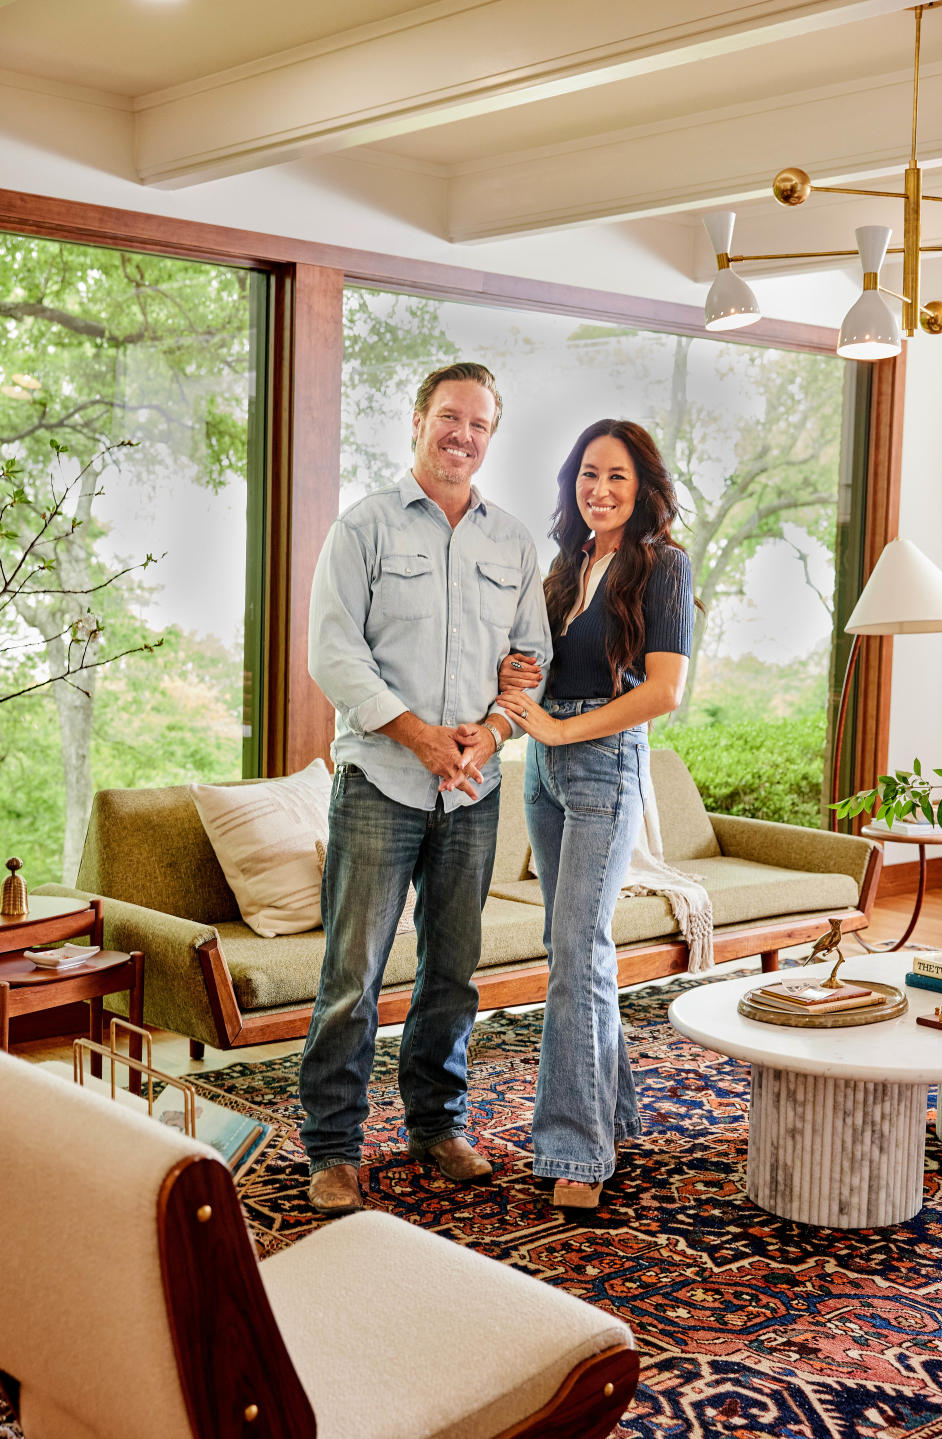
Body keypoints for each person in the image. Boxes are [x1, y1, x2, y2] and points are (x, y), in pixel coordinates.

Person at [300, 361, 551, 1216]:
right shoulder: (363, 528)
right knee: (352, 975)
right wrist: (417, 733)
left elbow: (531, 664)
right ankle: (332, 1148)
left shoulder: (513, 543)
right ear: (418, 421)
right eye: (451, 417)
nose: (464, 436)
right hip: (380, 782)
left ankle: (436, 1125)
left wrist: (491, 730)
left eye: (480, 425)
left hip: (473, 790)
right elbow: (334, 654)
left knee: (454, 972)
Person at [496, 418, 694, 1210]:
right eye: (587, 474)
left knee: (576, 950)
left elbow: (663, 691)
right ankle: (614, 1115)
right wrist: (518, 679)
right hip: (543, 770)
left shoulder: (662, 566)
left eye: (615, 475)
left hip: (604, 764)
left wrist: (561, 728)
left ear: (642, 486)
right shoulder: (566, 564)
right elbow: (545, 669)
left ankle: (576, 1153)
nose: (598, 489)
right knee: (573, 944)